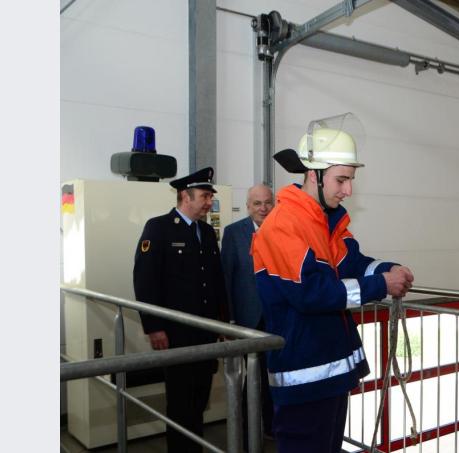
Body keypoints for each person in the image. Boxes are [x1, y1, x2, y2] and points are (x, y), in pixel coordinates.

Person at [250, 120, 415, 453]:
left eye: (351, 179)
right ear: (314, 174)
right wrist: (381, 284)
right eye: (342, 179)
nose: (348, 190)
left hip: (330, 370)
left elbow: (352, 263)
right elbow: (311, 293)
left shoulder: (324, 220)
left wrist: (387, 269)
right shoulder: (284, 226)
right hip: (304, 376)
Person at [133, 167, 229, 453]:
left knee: (199, 397)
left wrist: (224, 324)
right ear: (185, 196)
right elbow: (145, 280)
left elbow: (215, 280)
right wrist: (153, 327)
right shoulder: (159, 228)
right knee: (179, 401)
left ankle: (193, 448)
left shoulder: (207, 233)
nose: (209, 201)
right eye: (204, 196)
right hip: (175, 333)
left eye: (211, 196)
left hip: (205, 332)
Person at [221, 183, 275, 441]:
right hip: (245, 320)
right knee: (245, 381)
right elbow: (226, 278)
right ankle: (243, 432)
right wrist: (228, 320)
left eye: (267, 202)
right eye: (257, 203)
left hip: (276, 319)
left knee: (273, 378)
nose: (263, 208)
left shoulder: (283, 229)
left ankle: (271, 429)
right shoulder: (234, 233)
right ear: (248, 206)